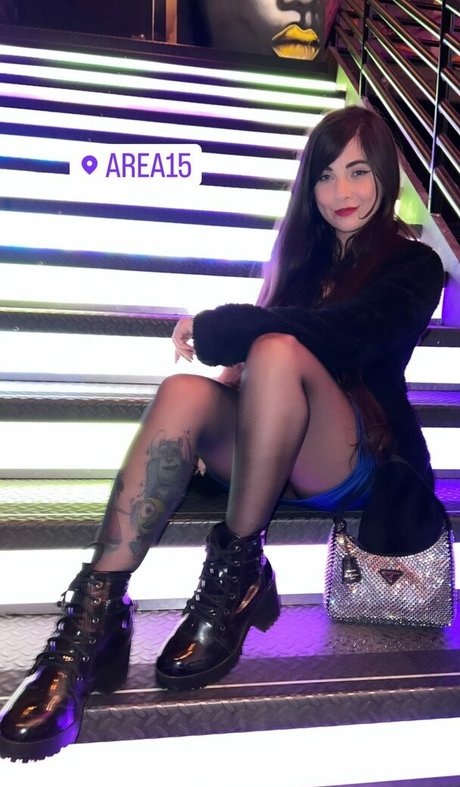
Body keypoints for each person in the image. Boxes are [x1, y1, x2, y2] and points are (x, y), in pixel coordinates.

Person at [0, 105, 445, 762]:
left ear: (384, 174)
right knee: (185, 390)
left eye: (358, 171)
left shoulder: (414, 264)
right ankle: (93, 622)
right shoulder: (302, 262)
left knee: (277, 347)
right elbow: (252, 375)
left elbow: (349, 335)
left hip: (355, 451)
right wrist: (216, 418)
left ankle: (237, 571)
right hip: (275, 449)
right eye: (325, 175)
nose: (342, 192)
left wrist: (226, 327)